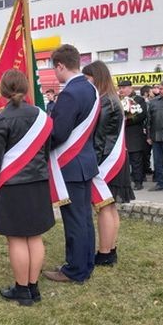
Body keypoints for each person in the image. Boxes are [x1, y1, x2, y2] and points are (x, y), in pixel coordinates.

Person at [0, 70, 54, 305]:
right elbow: (45, 153)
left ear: (3, 90)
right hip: (38, 184)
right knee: (35, 237)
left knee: (16, 239)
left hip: (12, 187)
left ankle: (22, 290)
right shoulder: (41, 116)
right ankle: (33, 288)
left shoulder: (1, 119)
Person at [42, 44, 99, 284]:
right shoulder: (91, 89)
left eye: (55, 69)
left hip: (70, 163)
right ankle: (85, 263)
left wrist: (41, 142)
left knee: (74, 218)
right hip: (85, 161)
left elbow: (60, 132)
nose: (55, 74)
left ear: (61, 66)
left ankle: (74, 270)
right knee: (84, 217)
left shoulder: (69, 94)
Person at [82, 61, 135, 266]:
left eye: (88, 79)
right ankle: (110, 249)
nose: (87, 83)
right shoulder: (112, 99)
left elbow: (100, 138)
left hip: (106, 160)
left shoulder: (105, 102)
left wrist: (92, 165)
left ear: (97, 77)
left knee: (104, 207)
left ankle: (104, 253)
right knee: (110, 207)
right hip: (116, 158)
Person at [118, 80, 148, 190]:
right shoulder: (118, 100)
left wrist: (126, 120)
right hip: (122, 135)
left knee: (136, 160)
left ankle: (138, 182)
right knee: (123, 161)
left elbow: (142, 115)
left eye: (124, 87)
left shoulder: (139, 99)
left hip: (134, 134)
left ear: (130, 88)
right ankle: (124, 182)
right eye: (120, 88)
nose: (121, 90)